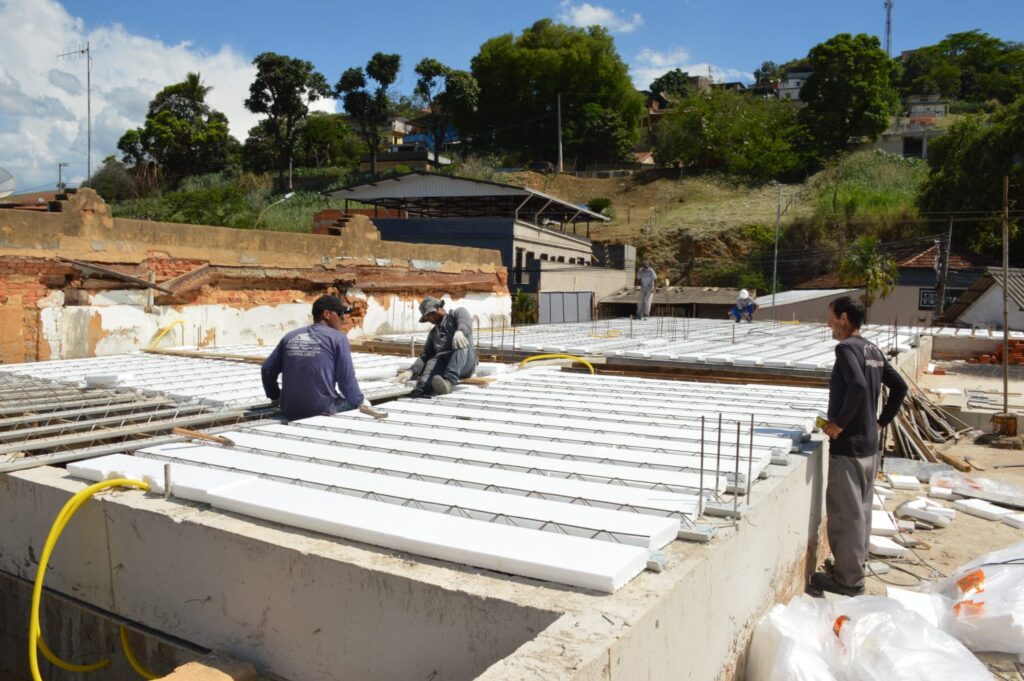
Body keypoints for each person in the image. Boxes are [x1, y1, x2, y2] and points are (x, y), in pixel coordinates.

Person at [811, 295, 908, 597]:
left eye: (831, 316)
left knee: (846, 514)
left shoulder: (846, 349)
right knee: (861, 512)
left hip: (850, 447)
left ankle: (848, 582)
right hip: (869, 446)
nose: (828, 323)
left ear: (843, 317)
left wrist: (839, 423)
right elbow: (900, 386)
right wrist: (880, 421)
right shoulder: (872, 349)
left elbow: (857, 385)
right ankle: (851, 566)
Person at [260, 295, 367, 421]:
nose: (343, 319)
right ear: (327, 314)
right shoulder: (338, 338)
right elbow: (346, 382)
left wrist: (275, 396)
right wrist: (360, 402)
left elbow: (267, 369)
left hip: (289, 410)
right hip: (322, 410)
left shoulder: (290, 336)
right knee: (354, 403)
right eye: (340, 314)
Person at [396, 296, 477, 397]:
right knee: (433, 360)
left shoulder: (457, 313)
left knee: (460, 343)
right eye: (426, 317)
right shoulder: (433, 333)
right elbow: (425, 356)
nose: (428, 319)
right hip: (446, 365)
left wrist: (460, 331)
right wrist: (411, 371)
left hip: (465, 364)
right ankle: (422, 389)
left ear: (438, 309)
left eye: (429, 315)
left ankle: (449, 382)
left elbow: (465, 321)